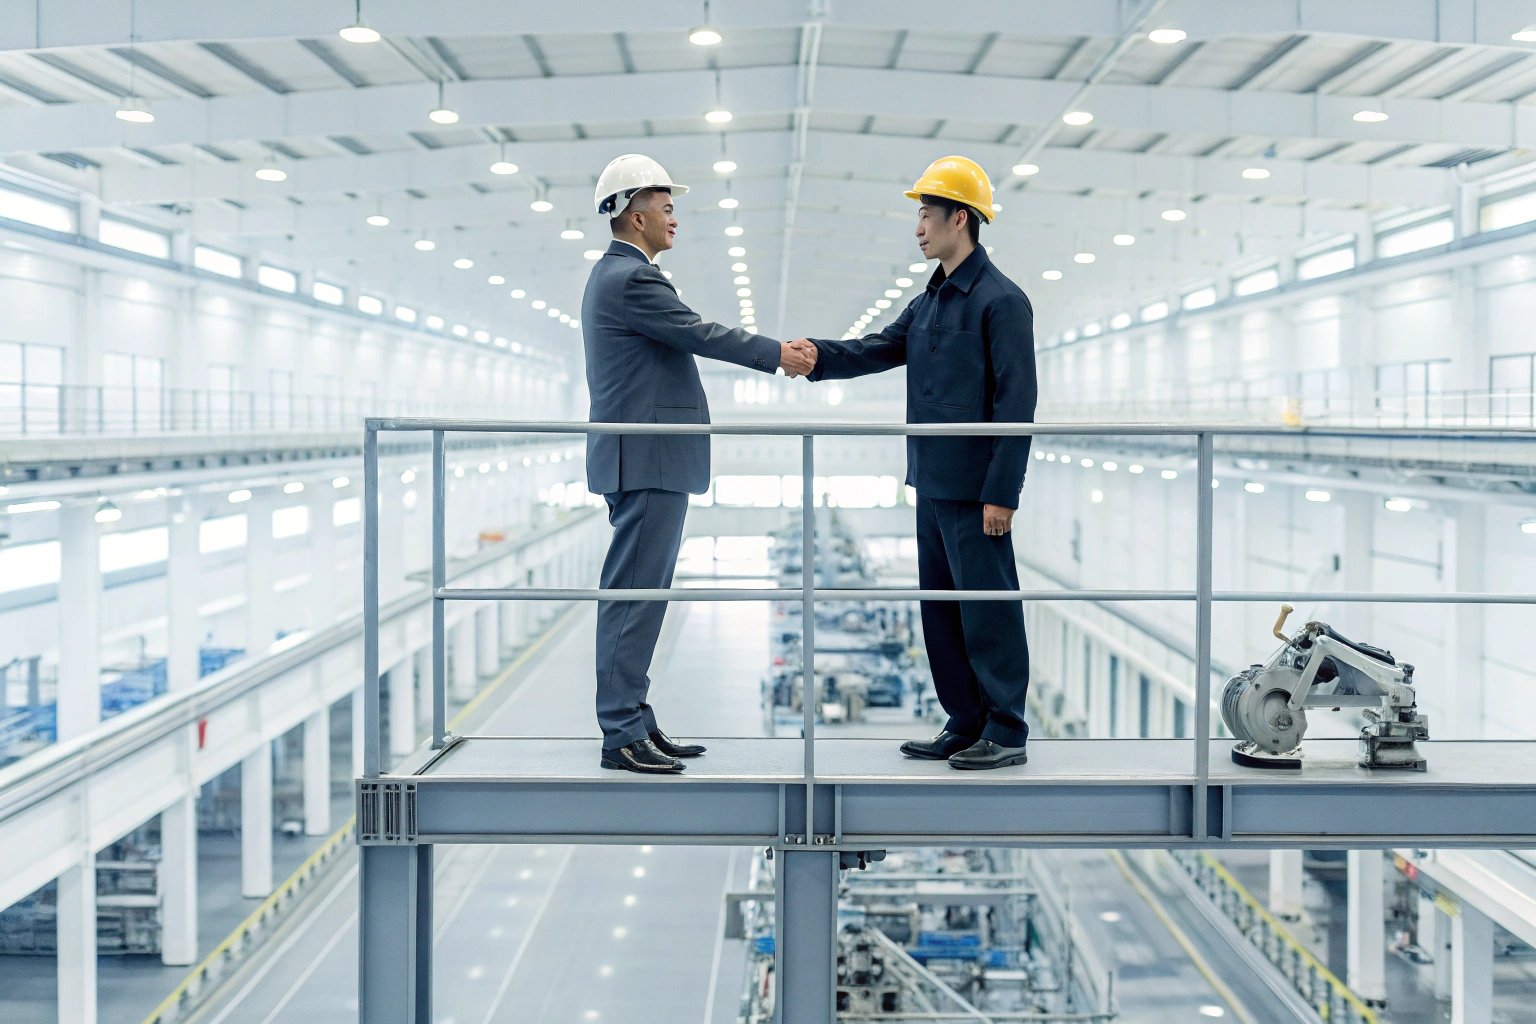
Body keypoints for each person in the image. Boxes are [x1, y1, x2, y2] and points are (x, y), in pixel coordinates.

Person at [795, 155, 1037, 770]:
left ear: (961, 217)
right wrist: (815, 355)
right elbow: (878, 347)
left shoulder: (1002, 302)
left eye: (926, 214)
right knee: (941, 612)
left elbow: (1017, 404)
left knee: (988, 609)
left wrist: (1002, 495)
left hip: (976, 490)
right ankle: (964, 720)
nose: (918, 227)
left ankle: (1005, 729)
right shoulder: (929, 302)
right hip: (930, 484)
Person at [582, 154, 816, 774]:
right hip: (647, 458)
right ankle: (620, 731)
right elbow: (701, 334)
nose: (673, 215)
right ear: (635, 214)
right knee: (634, 595)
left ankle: (634, 717)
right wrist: (778, 356)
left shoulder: (623, 275)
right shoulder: (632, 280)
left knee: (643, 594)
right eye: (665, 205)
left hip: (648, 457)